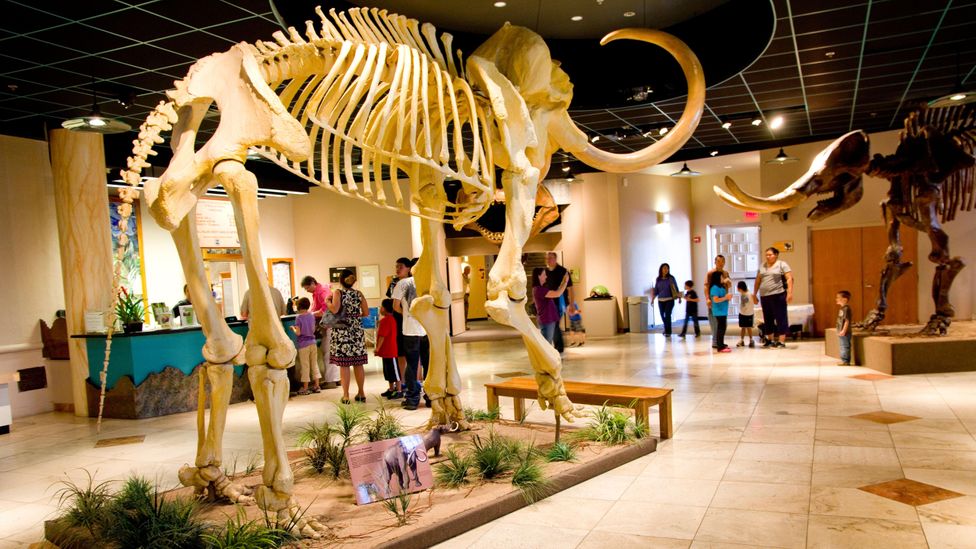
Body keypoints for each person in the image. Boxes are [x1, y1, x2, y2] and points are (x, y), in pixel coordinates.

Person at [393, 258, 430, 411]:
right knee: (428, 364)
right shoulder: (428, 282)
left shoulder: (402, 283)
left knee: (412, 365)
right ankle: (430, 397)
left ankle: (412, 399)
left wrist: (407, 315)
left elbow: (395, 306)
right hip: (427, 329)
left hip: (410, 330)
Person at [328, 269, 369, 404]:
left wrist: (327, 301)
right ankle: (361, 393)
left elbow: (334, 309)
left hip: (342, 331)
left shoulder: (338, 293)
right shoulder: (359, 294)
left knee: (344, 365)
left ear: (341, 280)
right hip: (356, 331)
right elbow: (366, 312)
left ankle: (346, 395)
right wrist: (355, 317)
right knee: (358, 363)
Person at [302, 275, 338, 389]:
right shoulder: (318, 291)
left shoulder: (322, 291)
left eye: (307, 287)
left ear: (313, 283)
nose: (306, 290)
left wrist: (311, 314)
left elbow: (326, 309)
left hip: (329, 325)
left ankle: (331, 380)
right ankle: (335, 379)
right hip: (329, 324)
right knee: (329, 351)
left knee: (328, 352)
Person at [754, 247, 793, 348]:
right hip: (765, 296)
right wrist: (754, 294)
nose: (768, 256)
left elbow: (789, 279)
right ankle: (769, 339)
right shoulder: (762, 266)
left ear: (776, 255)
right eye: (766, 255)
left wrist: (789, 293)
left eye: (770, 254)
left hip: (778, 294)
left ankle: (781, 341)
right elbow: (758, 280)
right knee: (767, 318)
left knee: (781, 317)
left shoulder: (781, 264)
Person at [543, 252, 575, 353]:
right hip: (548, 303)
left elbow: (570, 289)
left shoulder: (563, 271)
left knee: (555, 323)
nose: (548, 260)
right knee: (552, 324)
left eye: (550, 258)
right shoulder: (545, 272)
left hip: (560, 303)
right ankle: (558, 346)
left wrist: (571, 304)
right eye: (547, 258)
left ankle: (559, 347)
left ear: (555, 259)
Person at [290, 298, 321, 395]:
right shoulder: (311, 315)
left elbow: (298, 333)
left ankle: (305, 388)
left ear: (299, 306)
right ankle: (317, 386)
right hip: (313, 342)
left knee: (305, 366)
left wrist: (293, 329)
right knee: (314, 364)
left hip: (303, 345)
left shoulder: (298, 318)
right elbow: (313, 328)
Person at [376, 298, 401, 397]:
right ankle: (391, 389)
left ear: (385, 308)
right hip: (386, 351)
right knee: (388, 372)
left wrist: (377, 348)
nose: (380, 309)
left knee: (395, 371)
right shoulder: (390, 319)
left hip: (390, 351)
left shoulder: (386, 320)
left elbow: (382, 336)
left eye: (382, 307)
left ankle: (399, 390)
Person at [531, 268, 560, 346]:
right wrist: (565, 282)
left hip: (547, 319)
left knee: (547, 344)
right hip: (547, 320)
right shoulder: (539, 290)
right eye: (544, 274)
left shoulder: (540, 289)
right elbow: (557, 294)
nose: (546, 276)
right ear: (538, 276)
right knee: (547, 345)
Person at [651, 263, 681, 337]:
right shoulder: (658, 279)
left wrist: (679, 297)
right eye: (664, 268)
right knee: (662, 315)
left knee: (667, 315)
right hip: (660, 300)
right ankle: (666, 328)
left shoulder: (671, 278)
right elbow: (656, 291)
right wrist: (652, 299)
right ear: (661, 269)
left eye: (667, 268)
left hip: (670, 299)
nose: (666, 270)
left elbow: (676, 288)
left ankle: (668, 331)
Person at [704, 255, 728, 348]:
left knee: (723, 322)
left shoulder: (725, 273)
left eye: (722, 261)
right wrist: (707, 298)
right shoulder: (711, 273)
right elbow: (706, 286)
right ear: (715, 262)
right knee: (714, 321)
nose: (720, 263)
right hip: (714, 299)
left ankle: (720, 341)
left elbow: (727, 286)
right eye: (718, 261)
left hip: (723, 300)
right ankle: (715, 341)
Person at [709, 271, 732, 352]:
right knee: (721, 328)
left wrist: (727, 297)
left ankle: (721, 344)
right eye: (722, 277)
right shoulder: (714, 288)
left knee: (722, 327)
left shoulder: (721, 287)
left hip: (723, 310)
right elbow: (715, 300)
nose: (723, 278)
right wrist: (726, 298)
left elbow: (723, 296)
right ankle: (720, 346)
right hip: (718, 310)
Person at [736, 281, 756, 347]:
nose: (737, 289)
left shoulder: (750, 294)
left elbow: (756, 301)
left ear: (741, 288)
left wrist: (754, 298)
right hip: (742, 313)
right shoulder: (742, 293)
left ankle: (751, 340)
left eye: (738, 288)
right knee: (743, 327)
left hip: (749, 314)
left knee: (749, 327)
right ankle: (742, 340)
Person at [836, 290, 853, 365]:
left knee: (844, 346)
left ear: (845, 299)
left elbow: (847, 321)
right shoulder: (842, 308)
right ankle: (844, 360)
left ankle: (845, 361)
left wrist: (843, 330)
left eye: (838, 297)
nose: (836, 299)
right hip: (841, 331)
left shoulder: (846, 309)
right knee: (842, 345)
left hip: (845, 332)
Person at [462, 265, 471, 329]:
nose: (469, 272)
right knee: (464, 310)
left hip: (467, 294)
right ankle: (463, 325)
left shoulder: (468, 277)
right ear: (465, 270)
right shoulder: (461, 276)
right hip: (463, 295)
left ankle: (465, 324)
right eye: (468, 270)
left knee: (466, 310)